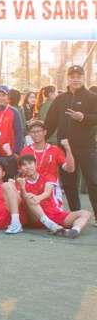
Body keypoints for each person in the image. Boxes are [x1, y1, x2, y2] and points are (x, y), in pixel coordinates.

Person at [44, 64, 97, 214]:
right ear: (68, 79)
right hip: (65, 149)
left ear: (83, 78)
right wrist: (40, 137)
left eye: (78, 77)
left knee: (93, 181)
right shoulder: (61, 99)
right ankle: (75, 213)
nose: (75, 80)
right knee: (68, 183)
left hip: (87, 147)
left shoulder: (92, 97)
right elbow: (50, 122)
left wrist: (83, 117)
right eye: (72, 77)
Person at [17, 145, 89, 238]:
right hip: (35, 217)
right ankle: (50, 225)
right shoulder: (20, 181)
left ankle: (74, 231)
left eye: (30, 163)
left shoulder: (48, 176)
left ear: (36, 164)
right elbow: (22, 199)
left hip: (54, 214)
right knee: (29, 197)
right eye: (24, 165)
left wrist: (38, 198)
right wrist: (23, 188)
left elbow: (47, 193)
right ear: (21, 169)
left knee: (85, 213)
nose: (27, 167)